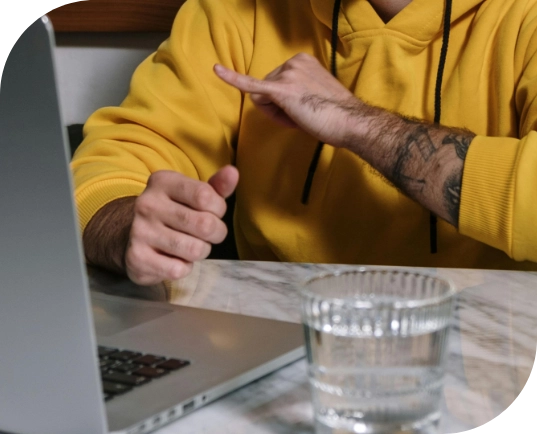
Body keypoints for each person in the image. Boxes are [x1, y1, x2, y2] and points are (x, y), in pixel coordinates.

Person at [72, 0, 537, 285]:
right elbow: (109, 165)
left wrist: (357, 123)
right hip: (273, 347)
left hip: (492, 356)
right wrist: (128, 225)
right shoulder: (231, 11)